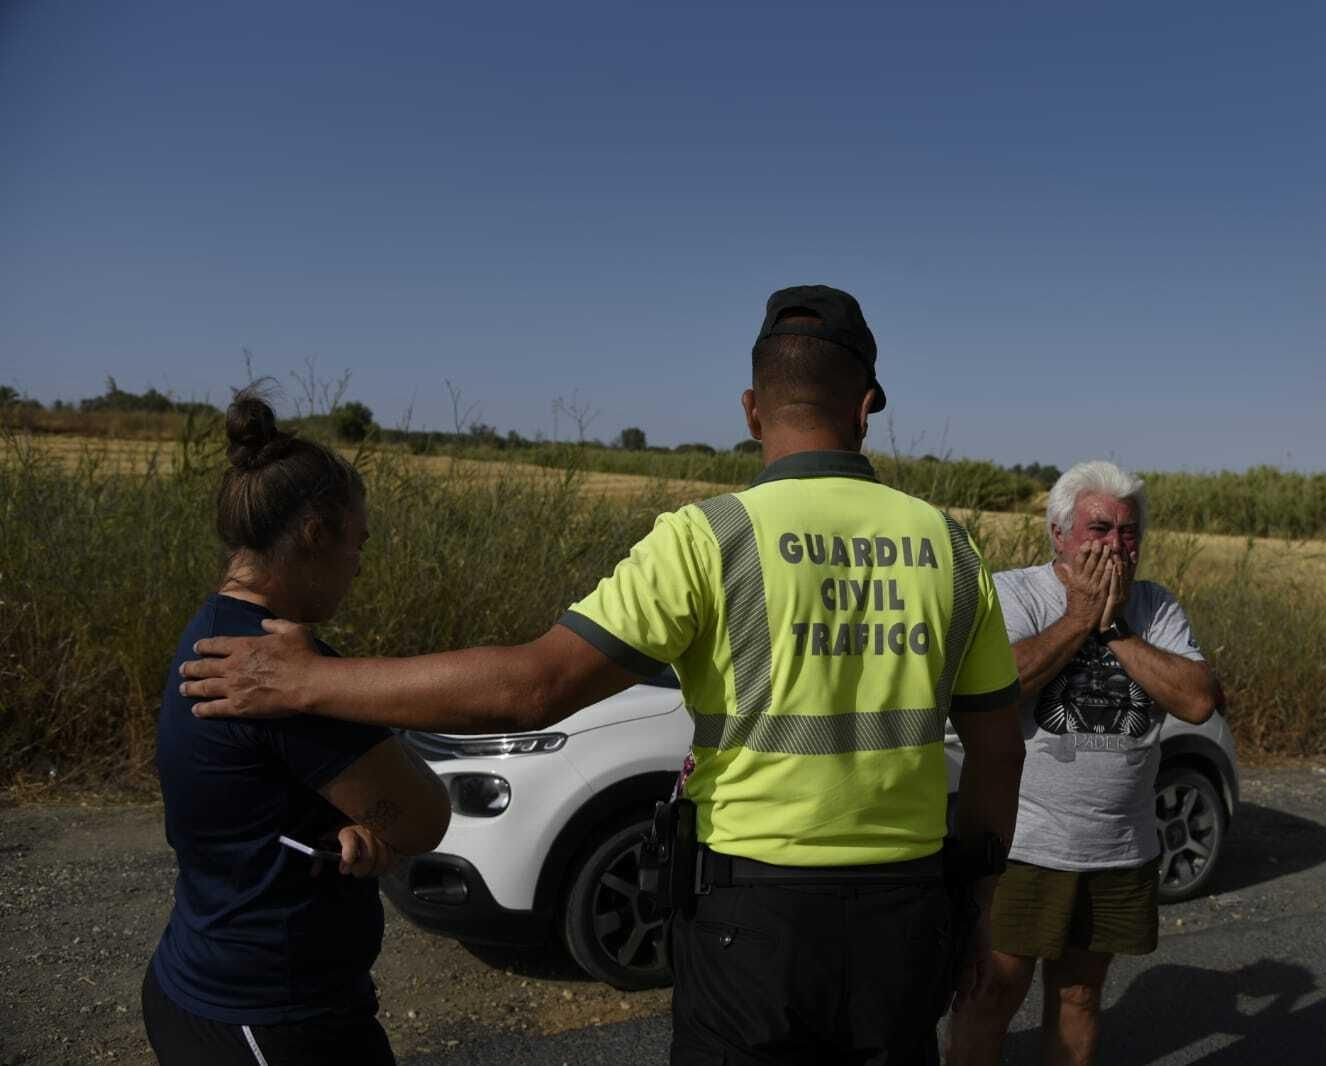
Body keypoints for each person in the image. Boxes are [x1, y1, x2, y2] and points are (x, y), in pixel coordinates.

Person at [175, 285, 1027, 1066]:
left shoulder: (710, 537)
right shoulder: (949, 548)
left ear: (750, 409)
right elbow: (996, 751)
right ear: (868, 406)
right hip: (906, 920)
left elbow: (533, 685)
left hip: (752, 928)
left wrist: (308, 681)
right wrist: (978, 908)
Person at [142, 392, 450, 1066]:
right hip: (268, 1020)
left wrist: (355, 830)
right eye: (356, 541)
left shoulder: (215, 631)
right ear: (316, 534)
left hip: (208, 982)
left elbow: (261, 799)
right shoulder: (279, 675)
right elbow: (426, 819)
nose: (360, 564)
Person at [946, 460, 1218, 1066]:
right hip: (1022, 844)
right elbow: (996, 686)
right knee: (990, 992)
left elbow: (1198, 699)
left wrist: (1114, 623)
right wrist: (1077, 617)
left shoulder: (1152, 606)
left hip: (1118, 847)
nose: (1116, 547)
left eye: (1128, 533)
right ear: (1058, 533)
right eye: (1099, 530)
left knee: (1080, 996)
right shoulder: (1015, 592)